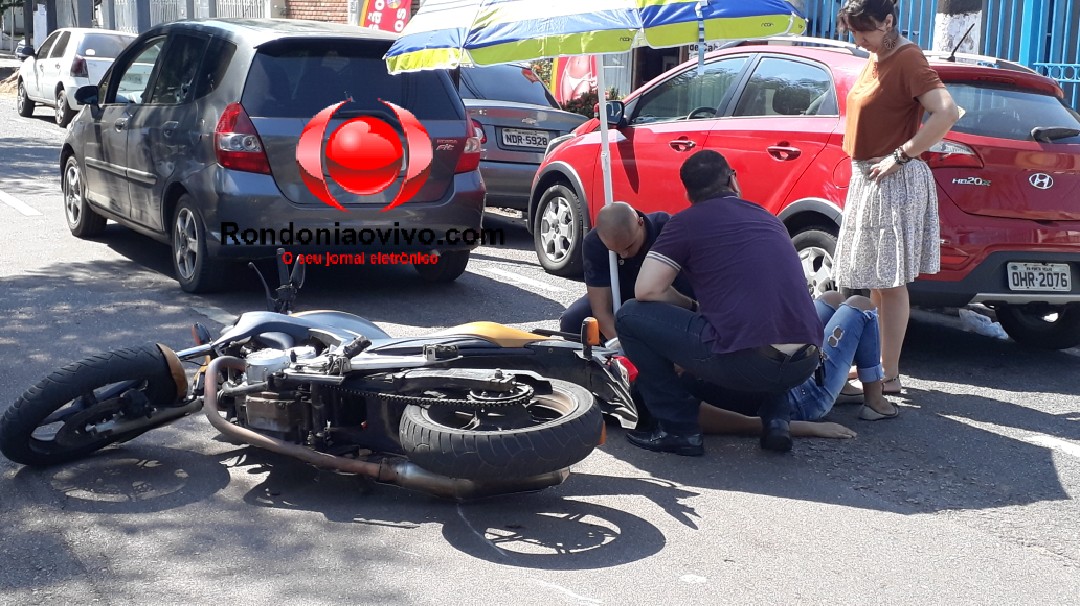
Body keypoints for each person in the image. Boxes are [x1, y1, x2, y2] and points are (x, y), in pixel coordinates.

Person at [615, 150, 823, 456]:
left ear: (687, 193)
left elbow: (645, 290)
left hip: (752, 362)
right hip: (805, 362)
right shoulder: (769, 219)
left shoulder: (685, 222)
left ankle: (679, 429)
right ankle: (777, 421)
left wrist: (689, 306)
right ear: (732, 180)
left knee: (629, 316)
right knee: (769, 316)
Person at [832, 0, 961, 394]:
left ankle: (889, 375)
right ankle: (877, 369)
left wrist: (902, 156)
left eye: (865, 31)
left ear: (889, 21)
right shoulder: (877, 55)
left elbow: (947, 112)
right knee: (875, 279)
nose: (859, 39)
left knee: (889, 281)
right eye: (854, 32)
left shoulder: (906, 57)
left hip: (891, 179)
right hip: (870, 176)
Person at [688, 291, 897, 441]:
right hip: (798, 399)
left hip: (781, 367)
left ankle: (840, 385)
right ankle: (875, 402)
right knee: (861, 306)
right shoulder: (667, 382)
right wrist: (806, 428)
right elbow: (701, 416)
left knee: (831, 299)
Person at [559, 201, 692, 342]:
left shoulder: (665, 229)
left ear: (640, 223)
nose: (624, 255)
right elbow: (601, 312)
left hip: (668, 298)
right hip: (620, 294)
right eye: (615, 251)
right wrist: (622, 348)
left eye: (629, 246)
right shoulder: (594, 243)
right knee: (572, 322)